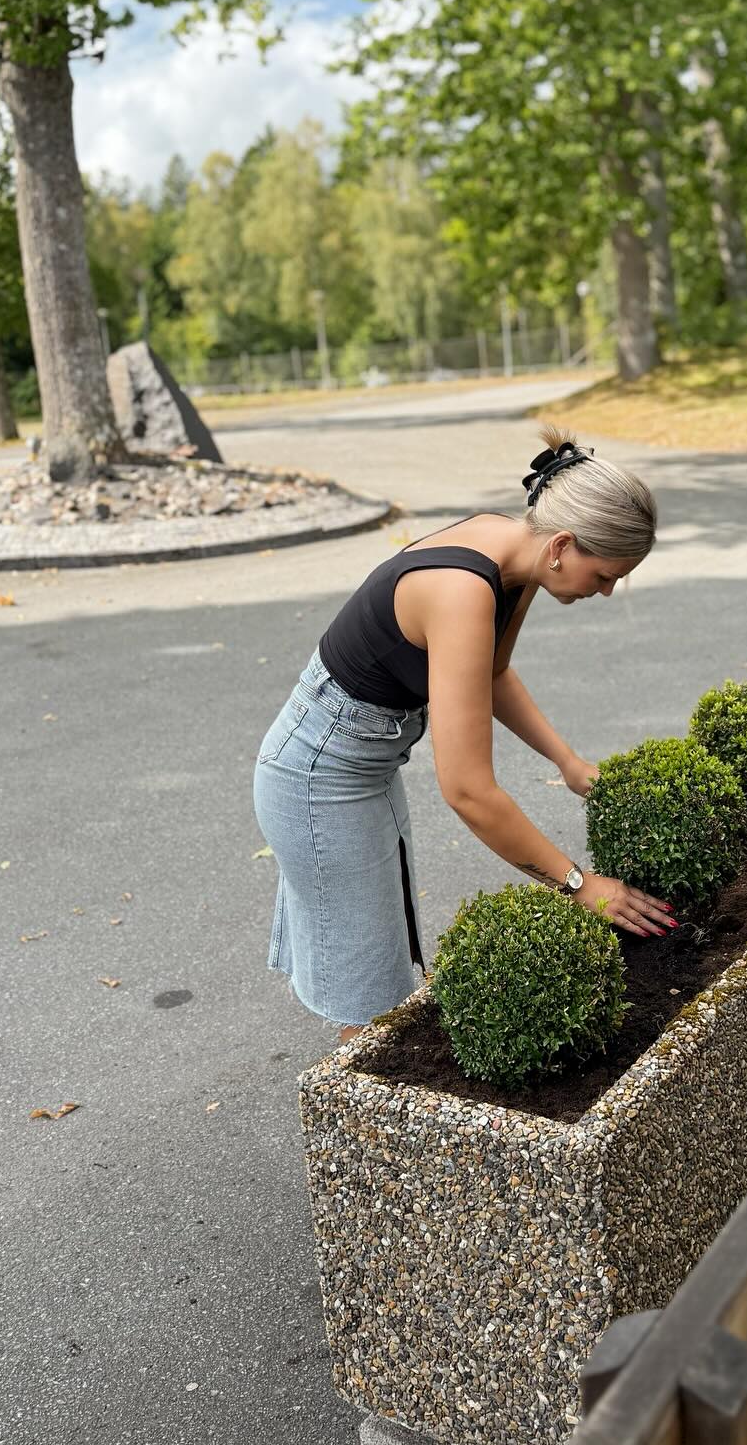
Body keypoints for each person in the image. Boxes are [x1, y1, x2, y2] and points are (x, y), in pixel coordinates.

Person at [253, 425, 676, 1044]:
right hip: (318, 777)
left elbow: (492, 671)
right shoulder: (462, 592)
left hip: (361, 766)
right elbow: (470, 791)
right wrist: (581, 885)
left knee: (386, 967)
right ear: (562, 545)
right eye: (606, 574)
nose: (607, 591)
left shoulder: (518, 553)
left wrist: (567, 762)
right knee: (372, 1008)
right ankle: (357, 1129)